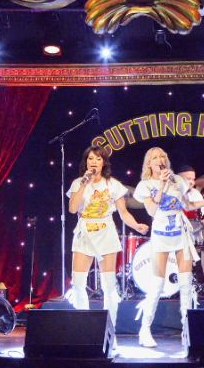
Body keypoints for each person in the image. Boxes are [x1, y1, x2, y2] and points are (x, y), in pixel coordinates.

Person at [133, 147, 204, 347]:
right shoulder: (145, 185)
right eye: (155, 157)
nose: (159, 160)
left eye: (162, 156)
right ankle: (145, 329)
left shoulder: (176, 180)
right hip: (160, 234)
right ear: (148, 163)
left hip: (180, 232)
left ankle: (187, 329)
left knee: (186, 282)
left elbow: (187, 205)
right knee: (157, 284)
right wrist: (161, 185)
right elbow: (152, 210)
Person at [67, 145, 149, 346]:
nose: (93, 162)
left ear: (103, 162)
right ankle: (83, 329)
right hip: (84, 232)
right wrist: (84, 183)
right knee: (78, 284)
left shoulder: (113, 184)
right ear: (86, 162)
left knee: (109, 286)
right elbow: (72, 209)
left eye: (98, 158)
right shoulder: (78, 183)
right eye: (90, 158)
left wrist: (136, 225)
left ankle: (109, 331)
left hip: (106, 233)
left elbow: (123, 213)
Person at [177, 165, 204, 281]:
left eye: (193, 179)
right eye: (188, 179)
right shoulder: (173, 193)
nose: (192, 182)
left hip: (195, 231)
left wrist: (203, 221)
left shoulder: (196, 194)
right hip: (176, 232)